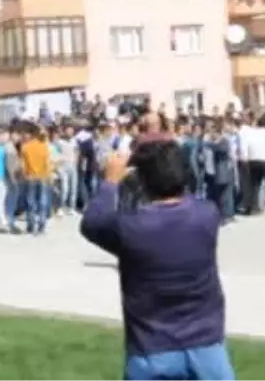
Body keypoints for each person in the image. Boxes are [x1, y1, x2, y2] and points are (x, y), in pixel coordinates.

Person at [80, 140, 235, 380]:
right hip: (206, 345)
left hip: (152, 347)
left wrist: (111, 181)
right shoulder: (207, 215)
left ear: (142, 182)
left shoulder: (131, 227)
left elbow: (92, 222)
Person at [20, 127, 52, 235]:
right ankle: (42, 226)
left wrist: (24, 175)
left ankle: (31, 226)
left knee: (30, 202)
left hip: (30, 177)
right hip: (43, 176)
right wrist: (49, 176)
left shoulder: (25, 147)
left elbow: (23, 165)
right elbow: (47, 163)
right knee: (43, 202)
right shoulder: (44, 146)